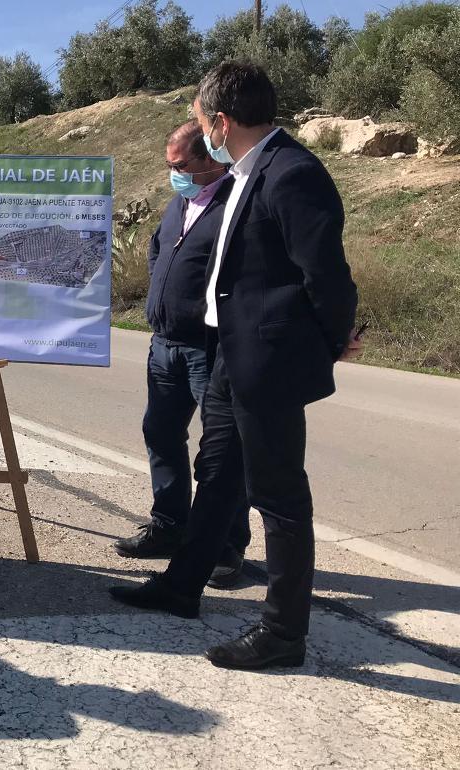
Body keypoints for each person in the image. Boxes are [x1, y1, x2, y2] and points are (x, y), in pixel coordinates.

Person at [110, 62, 361, 670]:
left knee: (279, 497)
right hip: (229, 354)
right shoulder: (249, 172)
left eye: (202, 122)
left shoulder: (293, 173)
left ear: (220, 121)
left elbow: (326, 277)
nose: (203, 134)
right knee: (219, 476)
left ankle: (282, 633)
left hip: (266, 363)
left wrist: (325, 345)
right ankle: (181, 586)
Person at [113, 119, 251, 589]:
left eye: (179, 165)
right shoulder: (180, 202)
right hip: (164, 346)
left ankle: (226, 548)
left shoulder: (237, 204)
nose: (173, 174)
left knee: (221, 452)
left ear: (210, 160)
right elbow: (158, 252)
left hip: (209, 348)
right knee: (161, 433)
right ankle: (170, 526)